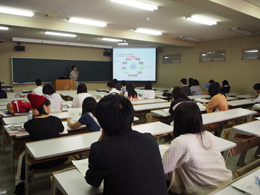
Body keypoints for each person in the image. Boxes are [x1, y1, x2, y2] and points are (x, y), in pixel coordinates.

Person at [85, 94, 168, 195]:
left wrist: (101, 142)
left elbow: (93, 181)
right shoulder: (150, 139)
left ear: (101, 121)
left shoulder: (99, 149)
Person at [162, 102, 232, 195]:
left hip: (206, 191)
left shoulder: (181, 141)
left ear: (177, 121)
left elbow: (162, 169)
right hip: (227, 182)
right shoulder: (208, 135)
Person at [14, 94, 67, 195]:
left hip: (38, 162)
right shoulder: (56, 120)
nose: (50, 108)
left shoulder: (30, 124)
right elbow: (61, 129)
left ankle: (20, 184)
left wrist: (34, 117)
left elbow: (29, 126)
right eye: (49, 106)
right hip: (59, 159)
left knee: (22, 156)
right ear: (44, 107)